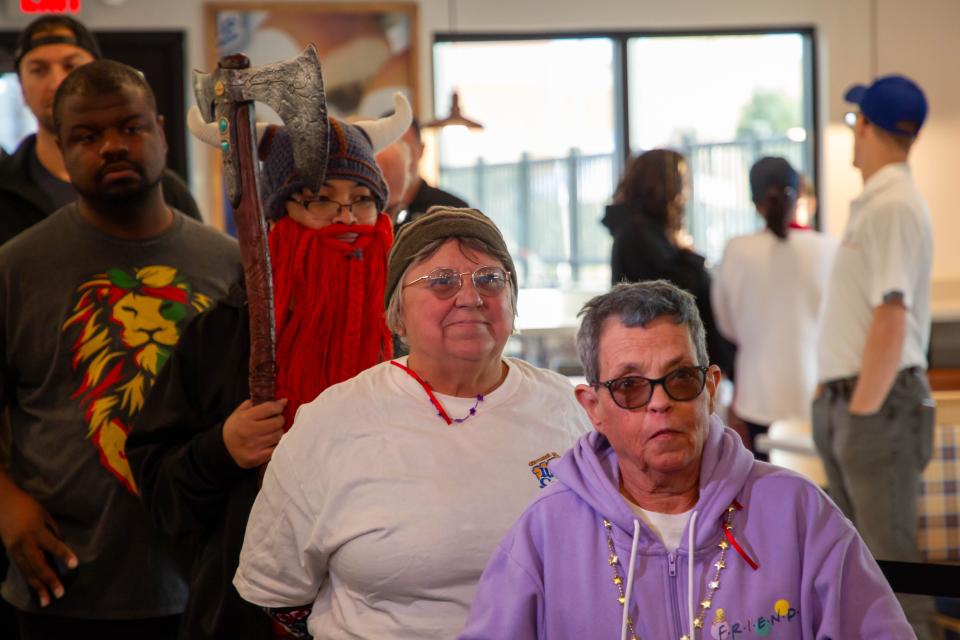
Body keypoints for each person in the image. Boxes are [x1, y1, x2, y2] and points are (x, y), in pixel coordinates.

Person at [460, 280, 912, 640]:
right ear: (593, 407)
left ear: (710, 388)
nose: (659, 404)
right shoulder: (544, 534)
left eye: (679, 378)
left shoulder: (798, 513)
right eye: (631, 386)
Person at [126, 95, 412, 640]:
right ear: (281, 215)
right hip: (244, 618)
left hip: (390, 610)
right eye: (319, 200)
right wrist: (220, 449)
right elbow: (158, 489)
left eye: (362, 200)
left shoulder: (411, 337)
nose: (347, 218)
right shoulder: (222, 335)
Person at [233, 207, 590, 638]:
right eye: (441, 281)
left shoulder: (566, 407)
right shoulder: (331, 422)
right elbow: (278, 590)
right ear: (397, 313)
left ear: (513, 303)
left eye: (490, 279)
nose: (470, 297)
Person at [0, 60, 239, 639]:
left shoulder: (228, 264)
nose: (112, 146)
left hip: (204, 581)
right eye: (87, 135)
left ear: (159, 130)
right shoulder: (16, 267)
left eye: (130, 127)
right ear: (59, 145)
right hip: (62, 580)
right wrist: (5, 503)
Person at [813, 74, 936, 639]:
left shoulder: (894, 206)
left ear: (865, 127)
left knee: (892, 570)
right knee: (861, 566)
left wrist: (860, 411)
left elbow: (892, 316)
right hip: (859, 400)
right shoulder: (880, 203)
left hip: (877, 405)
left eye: (855, 122)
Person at [0, 15, 202, 247]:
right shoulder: (4, 190)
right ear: (22, 89)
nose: (56, 82)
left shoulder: (166, 189)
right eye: (39, 70)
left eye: (71, 66)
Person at [711, 157, 837, 459]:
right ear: (799, 196)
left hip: (756, 395)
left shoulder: (736, 250)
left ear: (754, 201)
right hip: (815, 390)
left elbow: (725, 323)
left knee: (764, 492)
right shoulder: (828, 249)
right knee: (815, 492)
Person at [602, 148, 734, 377]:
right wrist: (690, 257)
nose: (686, 191)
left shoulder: (645, 234)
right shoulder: (638, 236)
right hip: (661, 365)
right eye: (681, 181)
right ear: (663, 186)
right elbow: (677, 293)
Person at [394, 117, 468, 228]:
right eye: (387, 150)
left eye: (405, 150)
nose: (397, 160)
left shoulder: (453, 211)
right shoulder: (369, 210)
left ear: (421, 150)